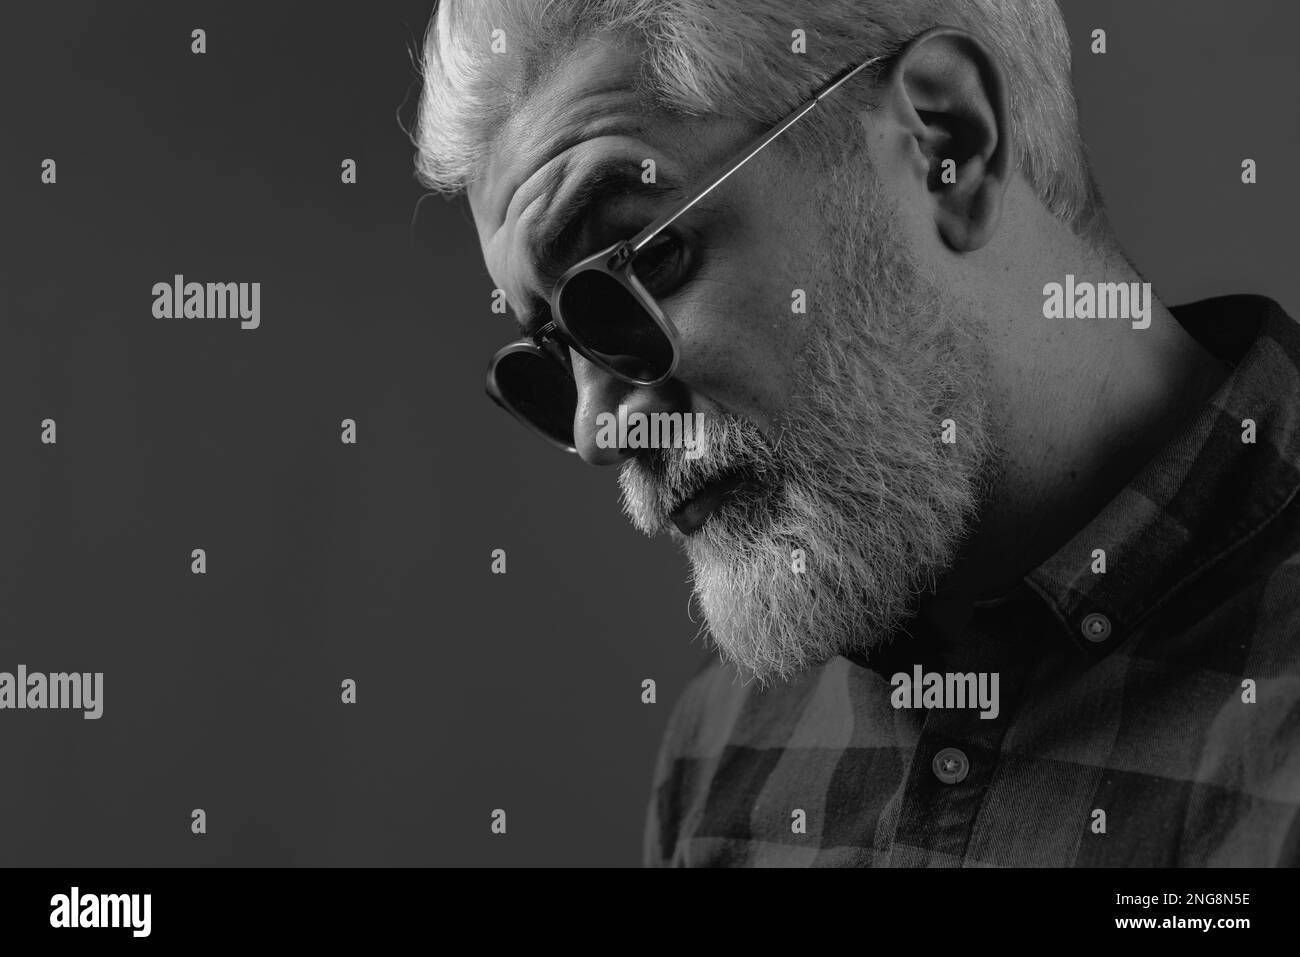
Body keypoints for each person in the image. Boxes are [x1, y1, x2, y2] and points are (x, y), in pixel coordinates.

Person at [415, 0, 1300, 865]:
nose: (599, 429)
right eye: (555, 353)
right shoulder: (723, 751)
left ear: (946, 143)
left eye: (649, 262)